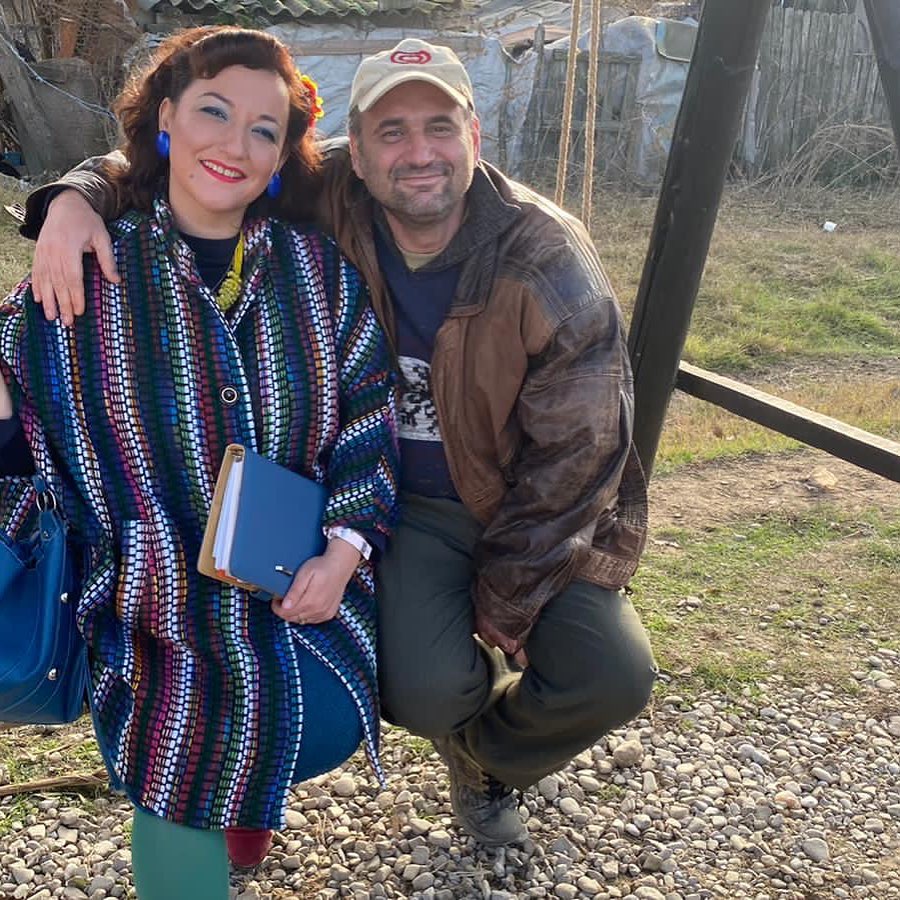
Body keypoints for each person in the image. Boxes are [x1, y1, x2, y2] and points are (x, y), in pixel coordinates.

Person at [20, 37, 656, 848]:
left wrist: (511, 598)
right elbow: (197, 151)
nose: (417, 152)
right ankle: (262, 787)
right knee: (428, 689)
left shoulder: (547, 259)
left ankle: (488, 761)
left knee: (612, 673)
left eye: (439, 126)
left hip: (530, 506)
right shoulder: (328, 192)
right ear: (353, 147)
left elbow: (583, 455)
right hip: (407, 504)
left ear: (474, 135)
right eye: (391, 131)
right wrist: (73, 198)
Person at [0, 26, 399, 897]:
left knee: (298, 719)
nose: (235, 143)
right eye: (213, 111)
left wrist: (343, 554)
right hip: (145, 605)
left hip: (297, 590)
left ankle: (239, 810)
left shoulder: (319, 274)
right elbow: (22, 419)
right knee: (181, 750)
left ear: (283, 156)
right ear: (166, 119)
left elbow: (370, 417)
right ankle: (215, 825)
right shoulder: (88, 264)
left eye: (264, 129)